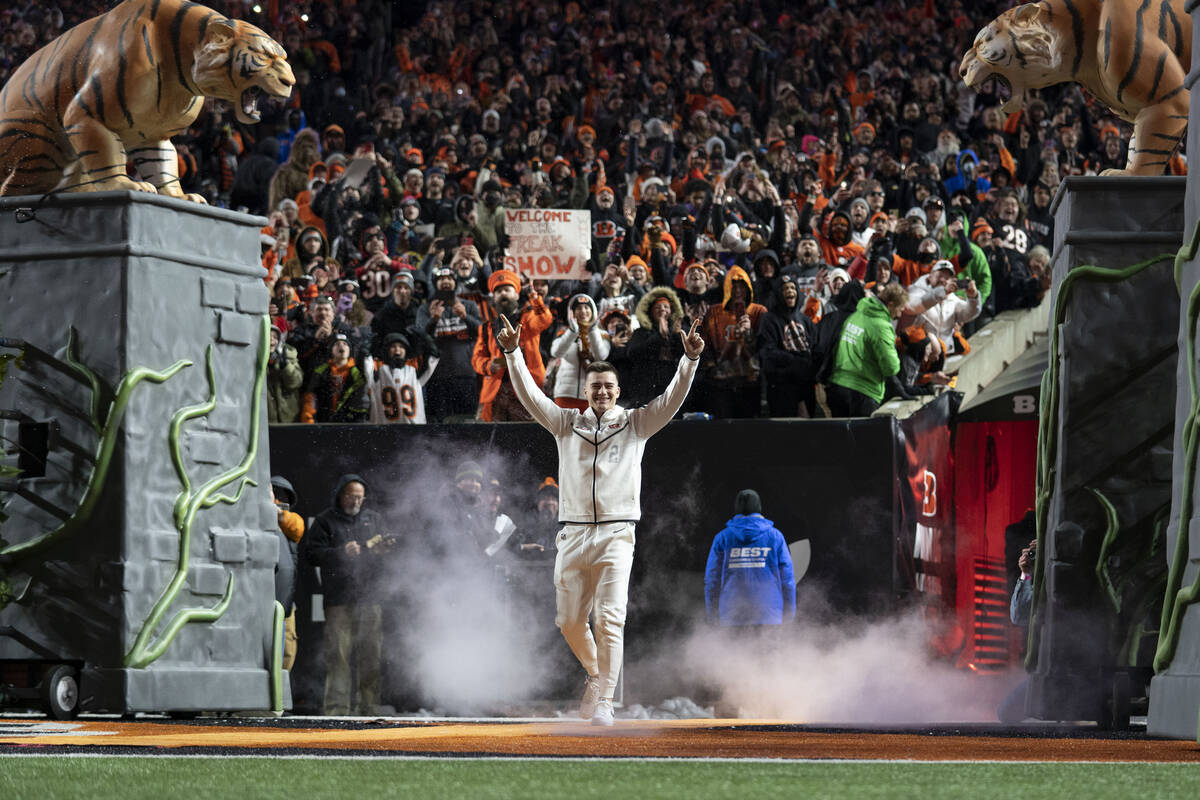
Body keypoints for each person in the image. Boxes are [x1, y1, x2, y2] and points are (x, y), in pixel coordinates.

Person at [497, 312, 706, 725]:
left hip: (616, 533)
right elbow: (530, 397)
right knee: (569, 622)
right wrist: (511, 353)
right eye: (596, 386)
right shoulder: (564, 423)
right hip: (572, 533)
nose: (602, 391)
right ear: (587, 391)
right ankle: (595, 675)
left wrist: (689, 361)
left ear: (618, 390)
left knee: (609, 617)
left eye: (609, 386)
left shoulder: (635, 423)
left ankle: (606, 701)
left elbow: (671, 399)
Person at [300, 475, 387, 716]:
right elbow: (311, 554)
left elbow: (388, 554)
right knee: (338, 657)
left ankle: (369, 709)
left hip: (370, 598)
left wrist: (383, 551)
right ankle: (337, 711)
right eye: (351, 495)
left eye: (360, 497)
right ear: (340, 494)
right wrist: (340, 552)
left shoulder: (374, 519)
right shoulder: (325, 521)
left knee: (371, 655)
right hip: (338, 599)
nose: (356, 501)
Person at [704, 489, 795, 629]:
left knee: (734, 652)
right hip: (769, 616)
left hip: (732, 616)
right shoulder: (776, 537)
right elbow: (787, 579)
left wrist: (712, 615)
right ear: (759, 507)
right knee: (769, 652)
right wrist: (789, 614)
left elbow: (712, 579)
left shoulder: (722, 538)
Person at [826, 282, 908, 417]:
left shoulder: (856, 315)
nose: (901, 312)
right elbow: (891, 367)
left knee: (840, 437)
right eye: (900, 308)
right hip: (863, 393)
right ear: (891, 304)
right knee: (864, 438)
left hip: (838, 386)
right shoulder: (881, 326)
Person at [363, 332, 439, 424]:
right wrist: (368, 343)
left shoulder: (414, 372)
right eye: (393, 346)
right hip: (384, 430)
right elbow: (364, 358)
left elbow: (434, 356)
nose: (397, 350)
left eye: (401, 347)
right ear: (386, 350)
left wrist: (426, 337)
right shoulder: (379, 372)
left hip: (413, 430)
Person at [270, 476, 305, 673]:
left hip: (286, 602)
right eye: (274, 495)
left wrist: (277, 514)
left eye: (282, 497)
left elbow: (297, 527)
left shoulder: (291, 522)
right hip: (265, 598)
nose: (278, 500)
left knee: (288, 651)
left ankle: (280, 698)